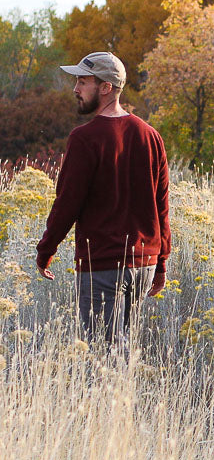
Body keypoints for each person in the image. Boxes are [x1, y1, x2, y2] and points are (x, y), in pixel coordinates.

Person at [36, 51, 170, 348]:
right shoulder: (151, 136)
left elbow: (67, 204)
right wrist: (160, 263)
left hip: (103, 265)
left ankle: (112, 396)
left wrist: (46, 250)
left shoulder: (85, 139)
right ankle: (128, 396)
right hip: (143, 265)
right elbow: (162, 207)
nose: (76, 89)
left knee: (101, 356)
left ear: (106, 87)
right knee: (123, 351)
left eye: (83, 82)